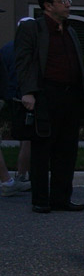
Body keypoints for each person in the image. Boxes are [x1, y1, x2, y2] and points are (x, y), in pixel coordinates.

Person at [13, 0, 84, 213]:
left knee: (67, 150)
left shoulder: (70, 30)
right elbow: (23, 62)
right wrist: (28, 92)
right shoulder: (33, 29)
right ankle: (41, 200)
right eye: (63, 1)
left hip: (70, 97)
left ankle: (61, 198)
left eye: (68, 0)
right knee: (42, 149)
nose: (68, 5)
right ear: (48, 6)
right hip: (46, 95)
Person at [1, 31, 32, 194]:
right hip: (23, 96)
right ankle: (14, 178)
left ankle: (9, 180)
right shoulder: (29, 49)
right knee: (27, 139)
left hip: (13, 95)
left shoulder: (6, 48)